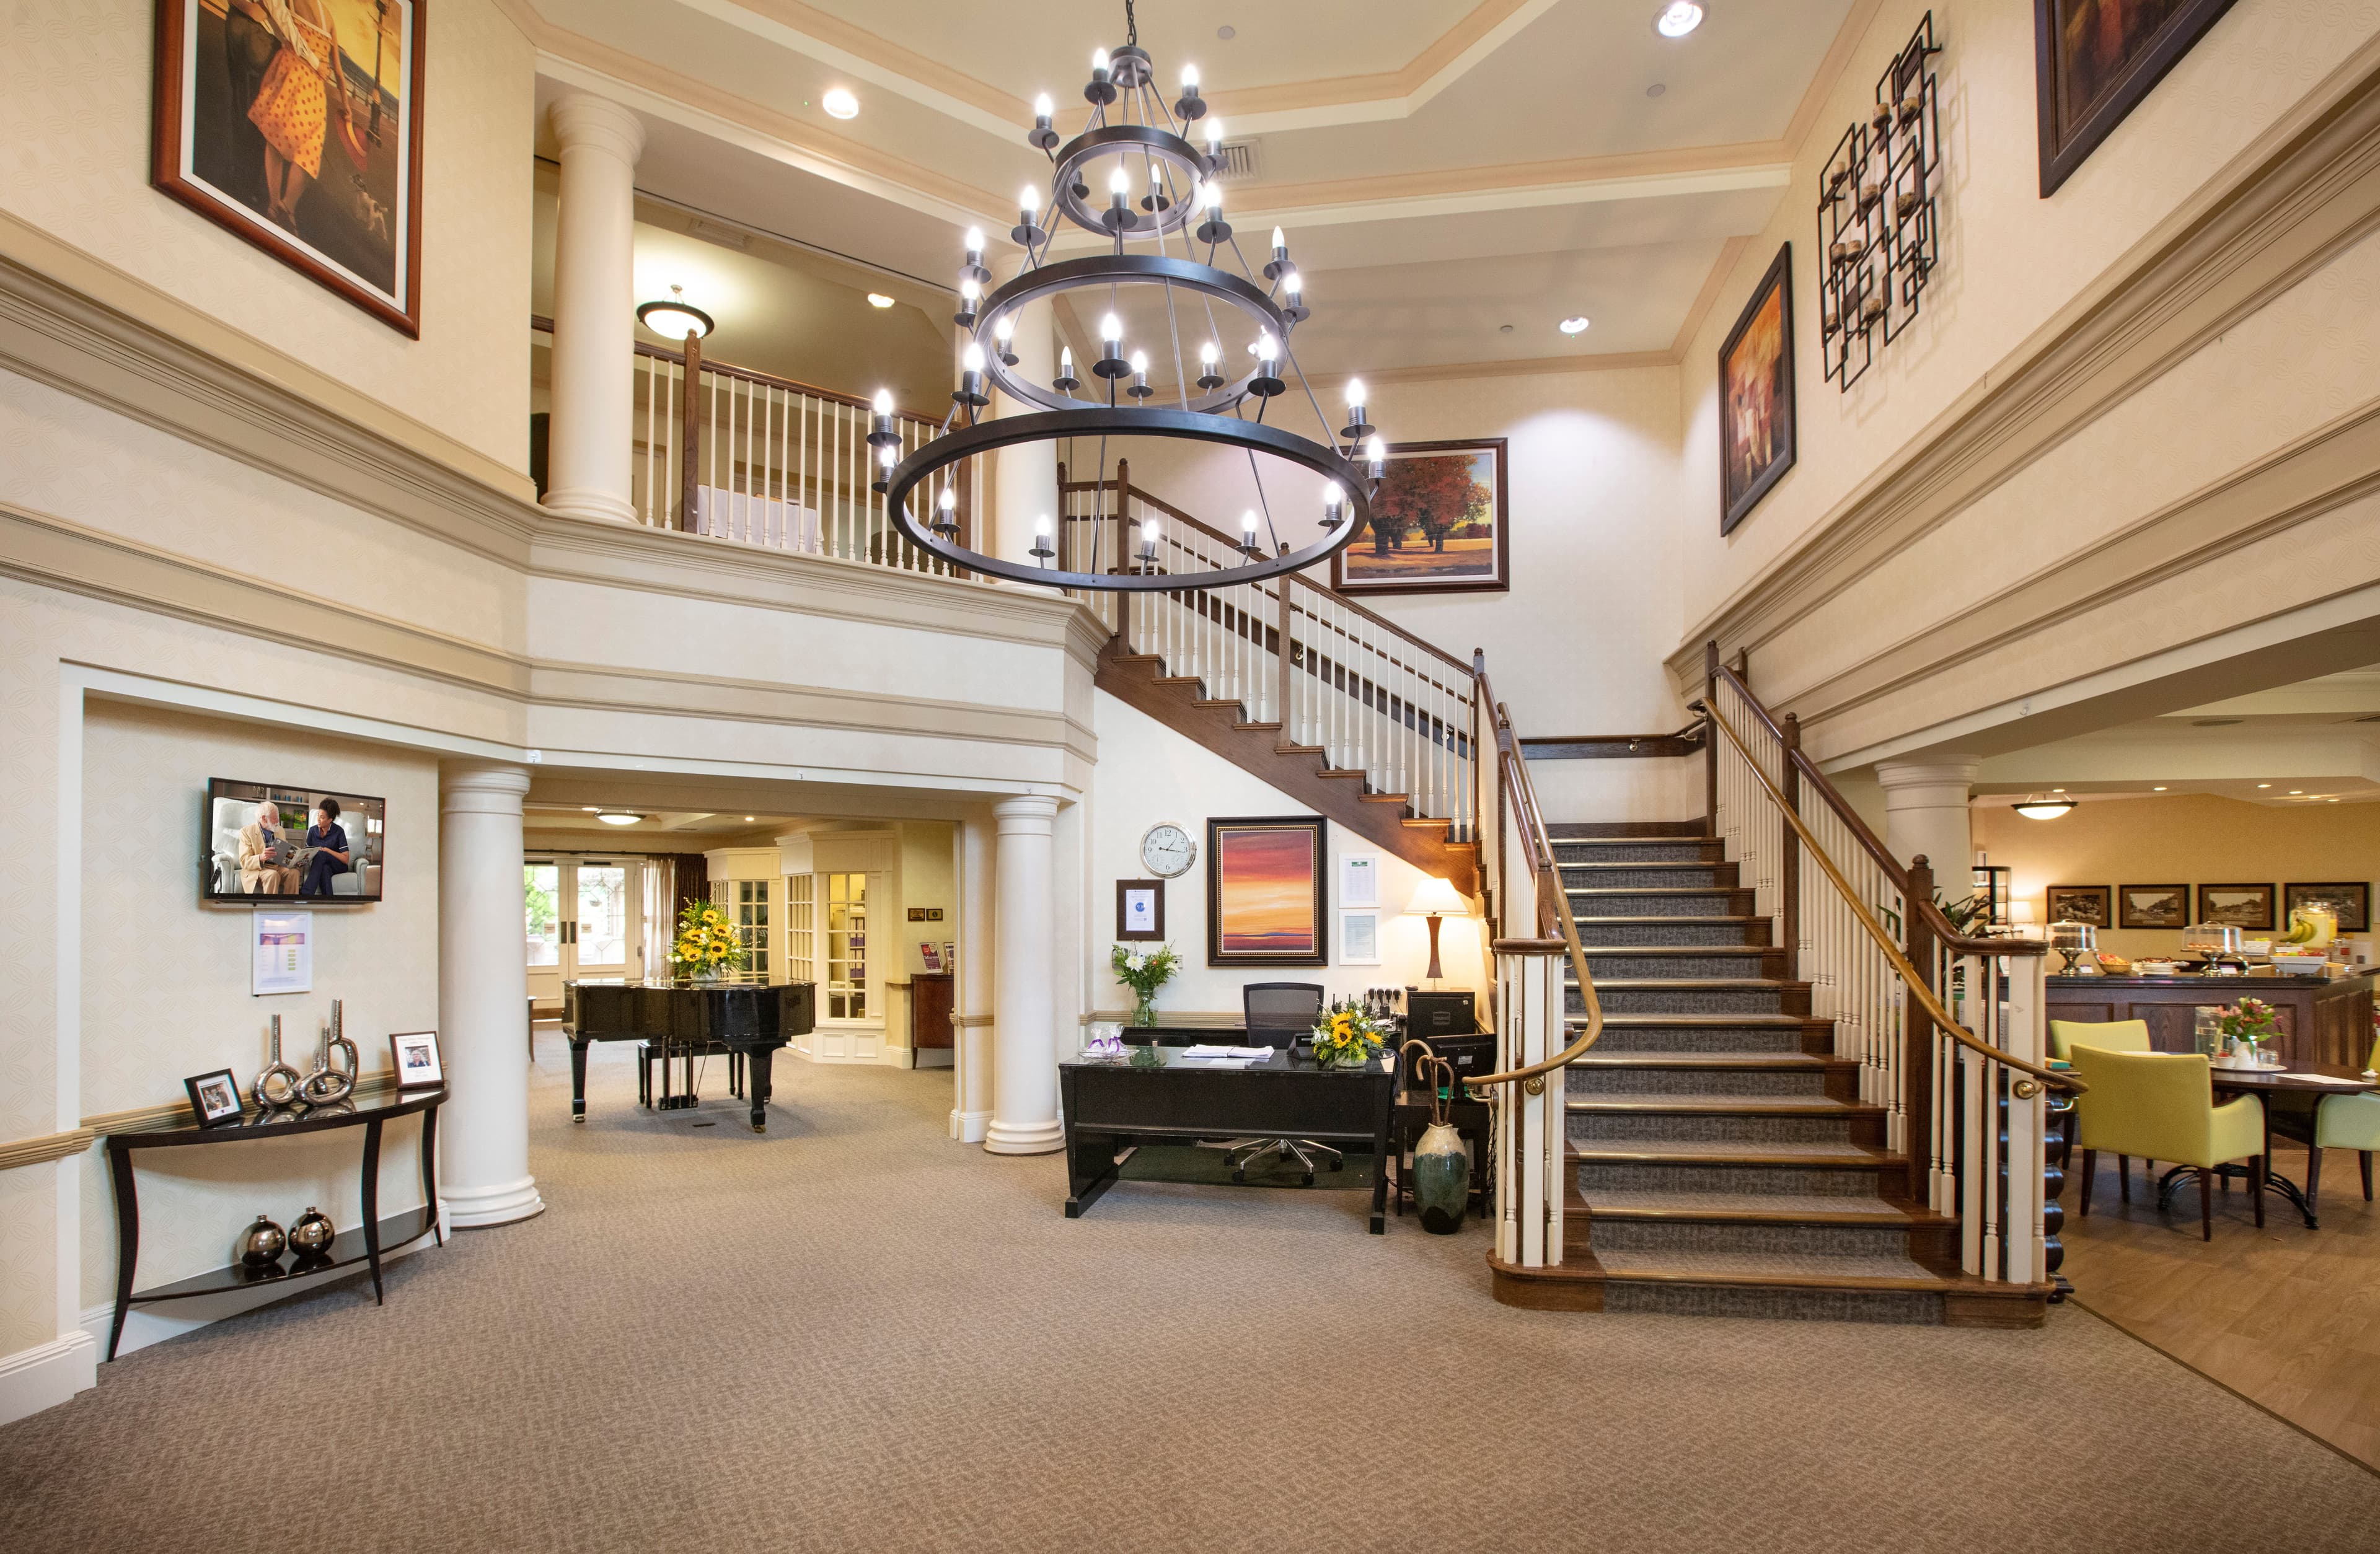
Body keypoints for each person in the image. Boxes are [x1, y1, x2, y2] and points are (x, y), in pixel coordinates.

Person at [245, 0, 357, 231]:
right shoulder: (329, 17)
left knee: (276, 141)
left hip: (291, 72)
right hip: (315, 88)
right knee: (309, 153)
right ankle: (289, 208)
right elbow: (338, 70)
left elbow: (275, 19)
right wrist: (346, 105)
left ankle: (275, 205)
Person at [237, 802, 301, 895]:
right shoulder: (246, 832)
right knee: (272, 875)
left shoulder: (280, 830)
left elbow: (286, 853)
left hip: (277, 867)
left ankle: (290, 906)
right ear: (264, 818)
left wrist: (295, 859)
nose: (277, 822)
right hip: (258, 870)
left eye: (278, 818)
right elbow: (244, 861)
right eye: (275, 818)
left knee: (294, 873)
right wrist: (261, 857)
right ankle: (270, 908)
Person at [300, 797, 352, 897]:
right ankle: (329, 901)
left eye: (322, 817)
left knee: (321, 854)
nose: (319, 820)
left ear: (330, 820)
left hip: (338, 866)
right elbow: (307, 852)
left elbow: (346, 859)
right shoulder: (312, 831)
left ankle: (306, 894)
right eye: (318, 816)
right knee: (324, 869)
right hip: (321, 865)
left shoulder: (339, 831)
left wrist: (328, 851)